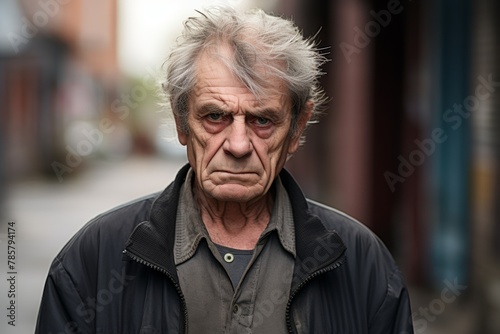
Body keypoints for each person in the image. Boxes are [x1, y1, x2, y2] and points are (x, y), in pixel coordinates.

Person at [36, 5, 414, 333]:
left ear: (298, 128)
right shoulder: (93, 259)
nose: (237, 145)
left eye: (262, 120)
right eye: (215, 116)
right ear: (181, 121)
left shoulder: (364, 265)